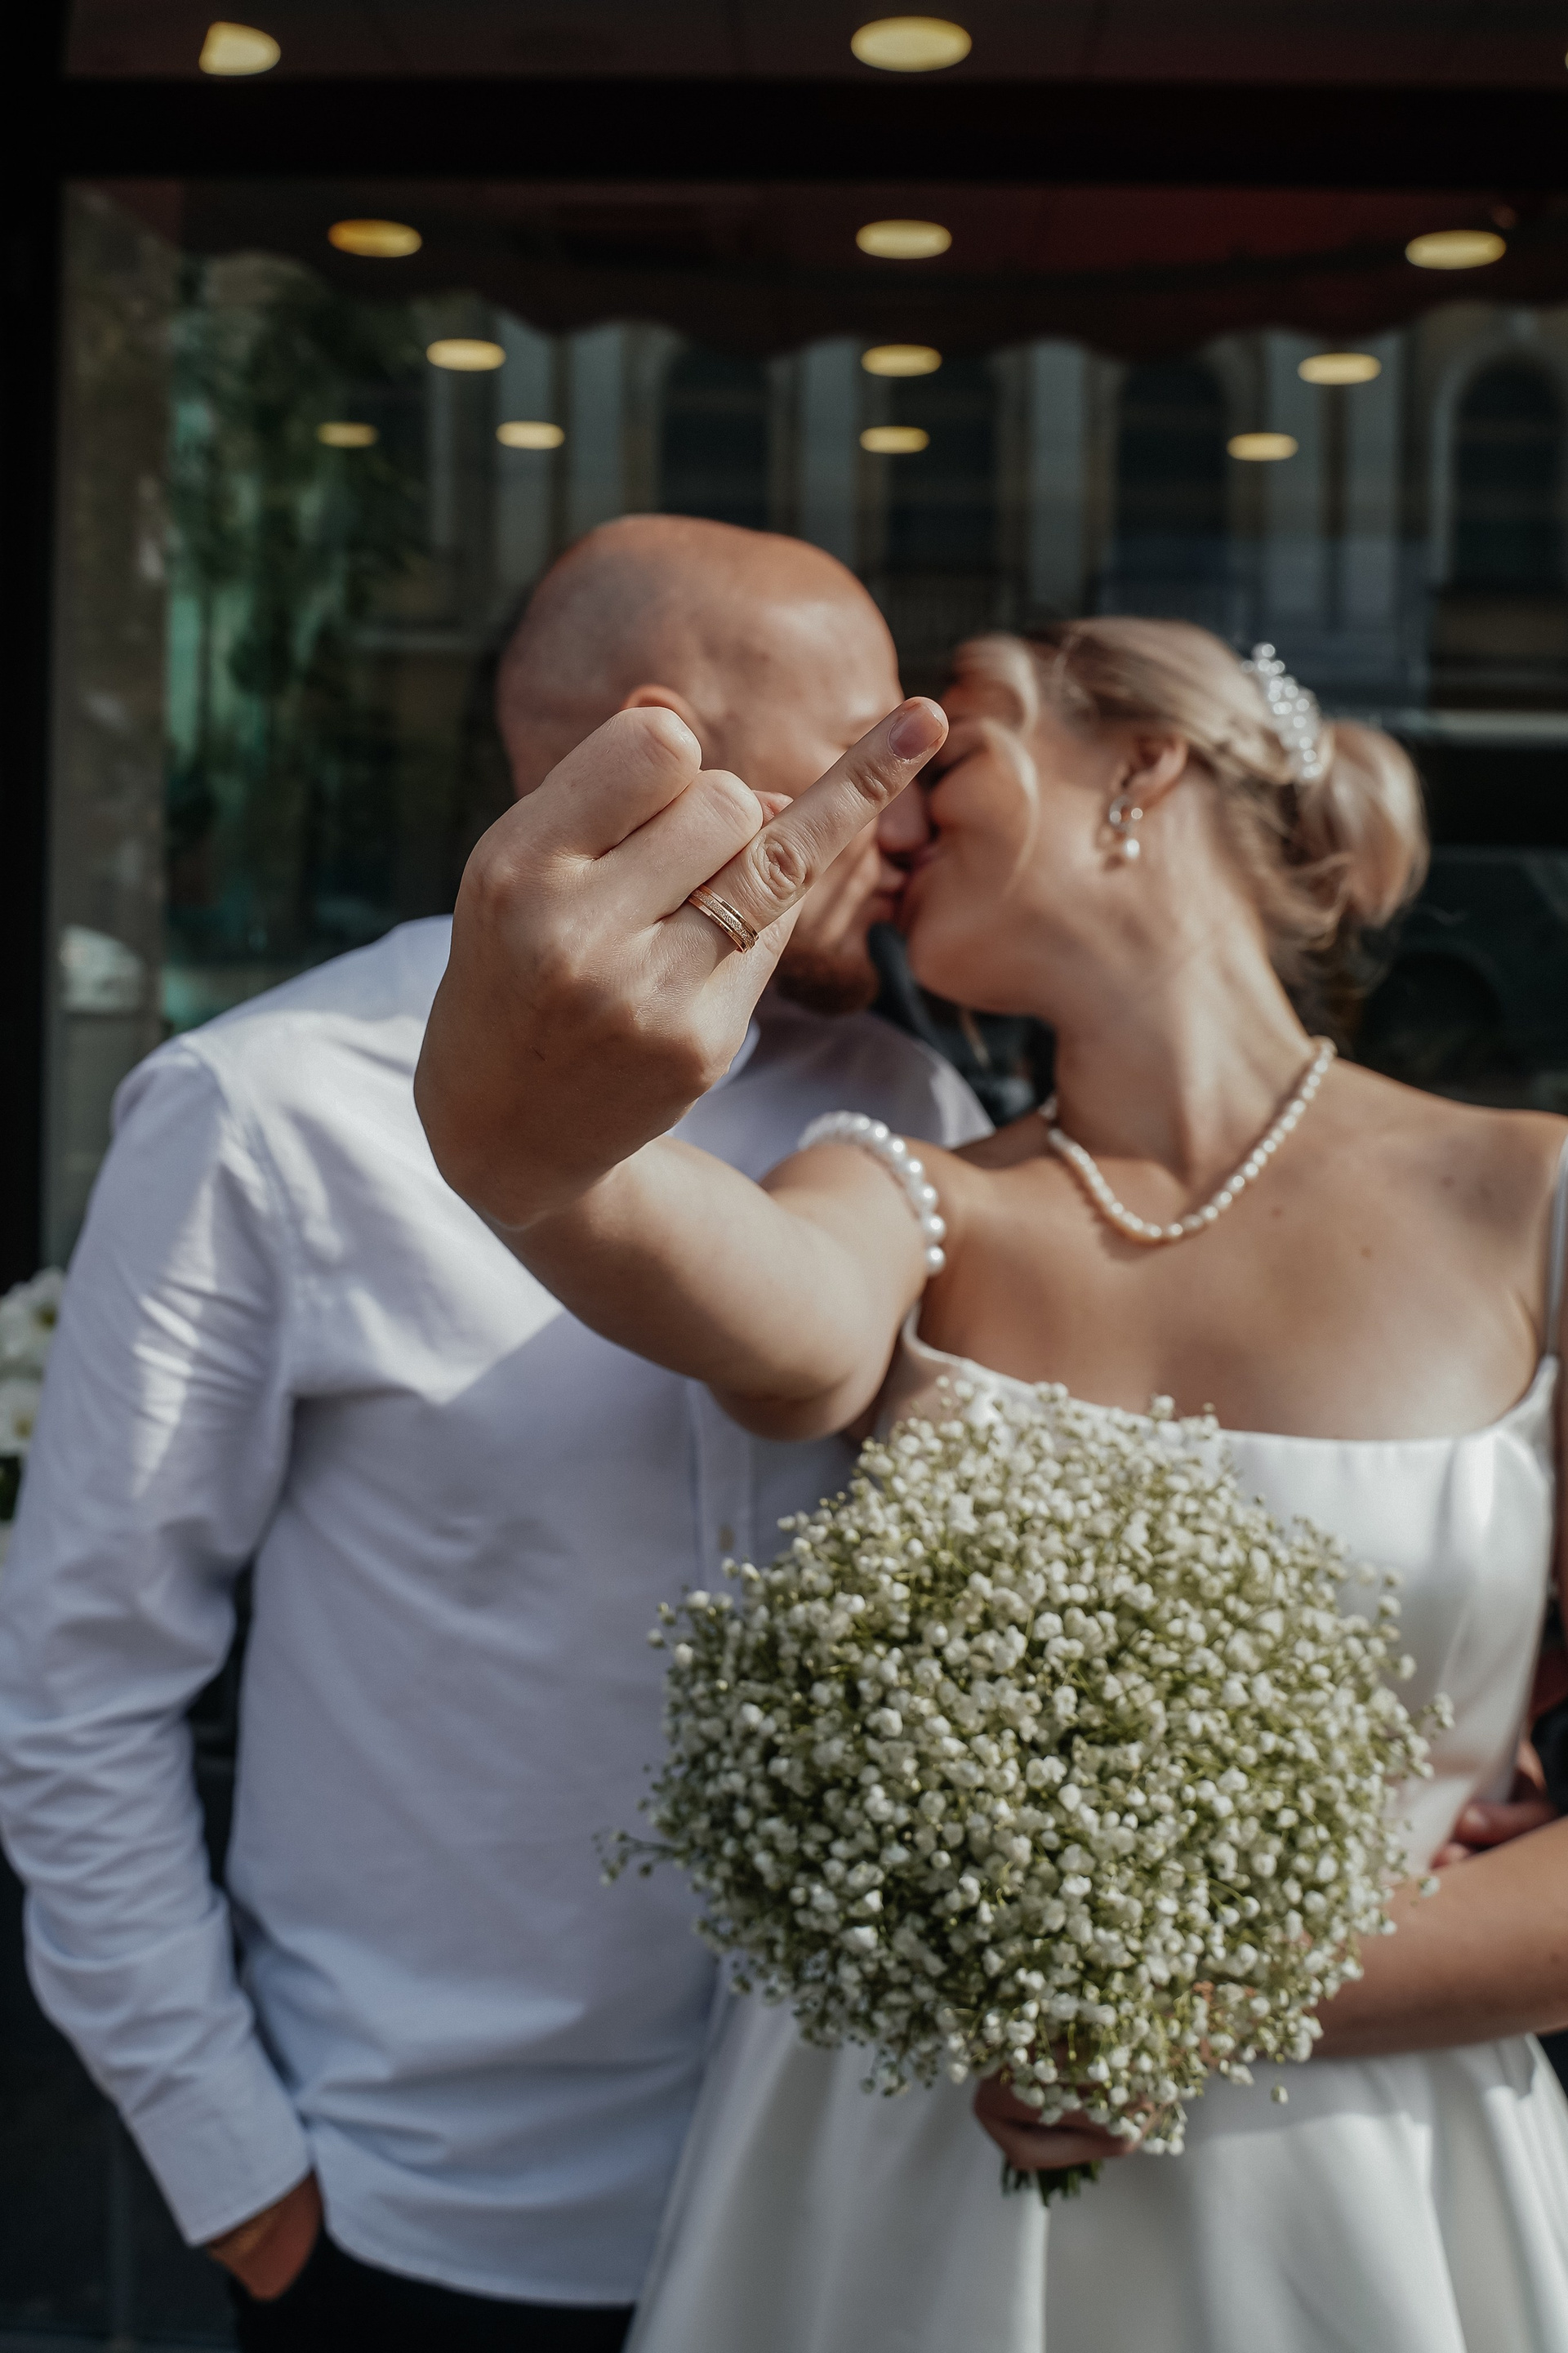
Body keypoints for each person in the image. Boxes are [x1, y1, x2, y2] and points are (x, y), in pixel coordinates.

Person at [415, 617, 1568, 2352]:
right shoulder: (913, 1193)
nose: (894, 814)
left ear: (1147, 765)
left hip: (1370, 2193)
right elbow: (773, 1313)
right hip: (896, 2193)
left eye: (960, 742)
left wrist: (1191, 2011)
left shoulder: (1534, 1201)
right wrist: (523, 1146)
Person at [0, 515, 988, 2351]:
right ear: (661, 760)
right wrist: (239, 2175)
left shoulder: (908, 1105)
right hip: (414, 2218)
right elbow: (81, 1683)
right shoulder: (266, 1109)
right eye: (872, 746)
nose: (917, 814)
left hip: (839, 2203)